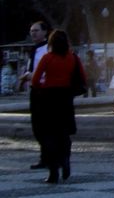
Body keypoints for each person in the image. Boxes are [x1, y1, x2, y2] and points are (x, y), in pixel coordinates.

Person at [31, 29, 86, 184]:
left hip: (48, 99)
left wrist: (43, 87)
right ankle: (66, 160)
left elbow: (35, 80)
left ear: (51, 43)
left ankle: (53, 171)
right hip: (66, 98)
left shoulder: (47, 58)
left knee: (49, 135)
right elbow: (82, 76)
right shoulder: (73, 58)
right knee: (64, 134)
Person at [19, 20, 51, 170]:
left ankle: (47, 157)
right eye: (32, 31)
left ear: (45, 32)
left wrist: (33, 75)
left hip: (44, 89)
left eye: (36, 30)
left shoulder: (47, 49)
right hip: (35, 89)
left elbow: (48, 69)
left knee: (43, 126)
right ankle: (45, 155)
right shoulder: (34, 49)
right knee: (37, 126)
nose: (33, 33)